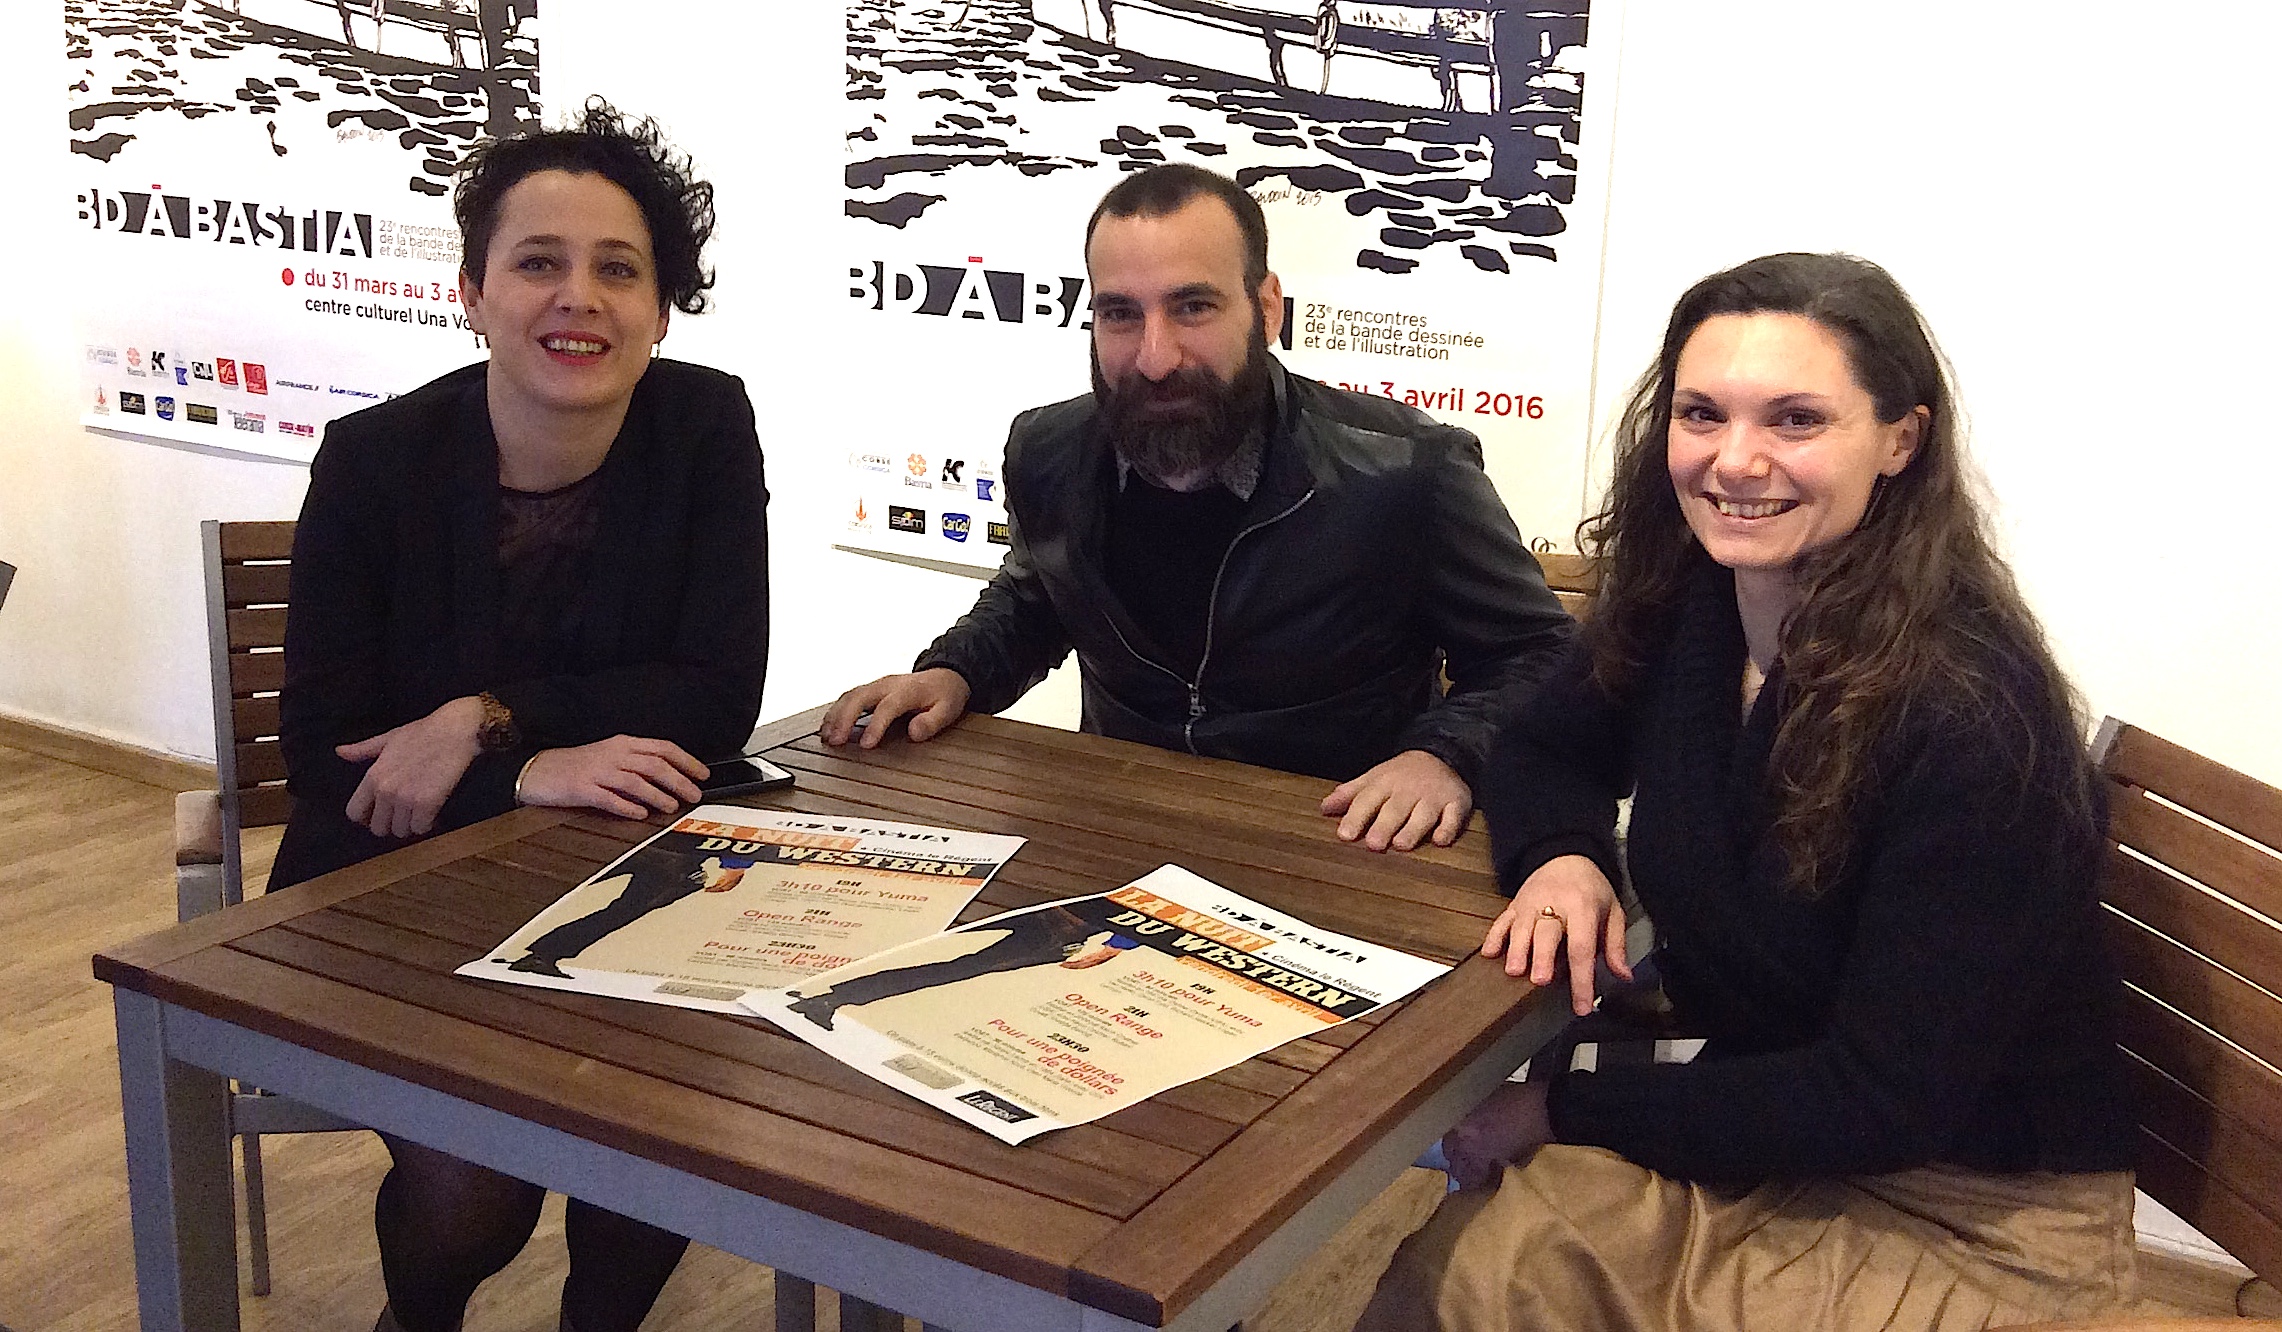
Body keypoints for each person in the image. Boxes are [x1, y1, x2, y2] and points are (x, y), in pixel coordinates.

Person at [1359, 253, 2138, 1331]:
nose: (1734, 460)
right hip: (1792, 1134)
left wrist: (1557, 1108)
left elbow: (1881, 1097)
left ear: (1899, 442)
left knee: (1487, 1275)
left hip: (1977, 1212)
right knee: (1470, 1269)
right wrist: (1562, 857)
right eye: (1700, 413)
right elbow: (1543, 749)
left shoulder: (1969, 717)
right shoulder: (1703, 599)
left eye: (1794, 420)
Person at [272, 99, 769, 1332]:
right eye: (537, 262)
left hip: (623, 872)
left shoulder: (705, 425)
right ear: (472, 291)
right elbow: (324, 751)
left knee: (666, 1133)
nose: (577, 298)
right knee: (475, 1185)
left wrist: (484, 720)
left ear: (662, 307)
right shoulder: (374, 461)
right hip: (392, 878)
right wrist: (527, 765)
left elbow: (717, 694)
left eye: (618, 268)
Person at [822, 164, 1574, 854]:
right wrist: (953, 673)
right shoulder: (1046, 448)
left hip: (1338, 843)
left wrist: (1443, 754)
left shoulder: (1408, 469)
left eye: (1193, 307)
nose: (1155, 356)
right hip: (1116, 828)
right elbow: (1036, 599)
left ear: (1267, 307)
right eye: (1120, 314)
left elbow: (1539, 653)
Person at [785, 905, 1138, 1030]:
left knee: (948, 965)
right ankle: (824, 994)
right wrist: (1118, 944)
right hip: (1061, 920)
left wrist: (1118, 944)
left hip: (1069, 921)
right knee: (942, 955)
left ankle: (826, 996)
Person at [503, 849, 755, 978]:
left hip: (632, 835)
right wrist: (736, 865)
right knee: (623, 911)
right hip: (675, 858)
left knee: (560, 884)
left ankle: (529, 952)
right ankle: (541, 954)